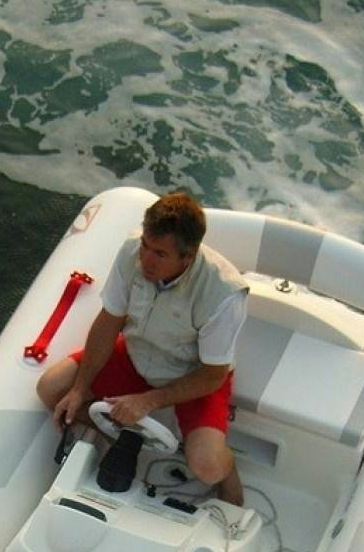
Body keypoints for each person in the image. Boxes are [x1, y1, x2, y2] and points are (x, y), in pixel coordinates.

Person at [36, 191, 247, 505]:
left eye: (159, 254)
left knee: (209, 466)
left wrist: (148, 401)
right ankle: (126, 436)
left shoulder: (224, 293)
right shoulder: (131, 252)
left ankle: (230, 481)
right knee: (51, 388)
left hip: (192, 375)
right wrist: (80, 388)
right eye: (146, 246)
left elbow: (213, 375)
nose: (145, 260)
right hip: (135, 355)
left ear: (187, 257)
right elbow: (109, 322)